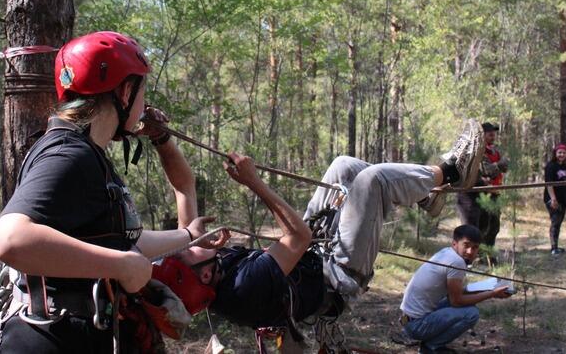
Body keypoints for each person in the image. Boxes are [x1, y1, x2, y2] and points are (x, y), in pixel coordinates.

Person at [0, 31, 224, 353]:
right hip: (56, 339)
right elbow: (11, 240)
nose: (145, 105)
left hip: (74, 334)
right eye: (143, 92)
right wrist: (120, 265)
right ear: (125, 92)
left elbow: (125, 241)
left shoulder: (90, 155)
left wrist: (188, 235)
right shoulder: (69, 154)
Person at [156, 120, 487, 336]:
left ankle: (425, 194)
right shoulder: (243, 288)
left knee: (343, 167)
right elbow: (297, 236)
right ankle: (452, 171)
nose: (188, 239)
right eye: (187, 248)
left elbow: (184, 186)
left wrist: (161, 139)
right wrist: (254, 183)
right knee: (374, 180)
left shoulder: (202, 262)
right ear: (200, 274)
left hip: (313, 254)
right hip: (338, 274)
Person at [397, 225, 512, 354]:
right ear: (455, 243)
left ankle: (431, 344)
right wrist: (491, 294)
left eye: (474, 247)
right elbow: (456, 301)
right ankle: (431, 347)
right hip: (416, 326)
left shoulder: (447, 252)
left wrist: (491, 292)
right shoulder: (456, 262)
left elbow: (456, 293)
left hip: (409, 320)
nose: (470, 251)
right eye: (466, 245)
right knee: (471, 314)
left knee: (468, 305)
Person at [477, 122, 508, 263]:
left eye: (493, 133)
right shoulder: (479, 150)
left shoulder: (495, 151)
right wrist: (499, 165)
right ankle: (481, 256)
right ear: (482, 134)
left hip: (496, 191)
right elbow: (486, 171)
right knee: (484, 226)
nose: (492, 135)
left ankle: (489, 254)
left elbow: (504, 167)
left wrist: (498, 166)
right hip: (484, 194)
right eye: (489, 133)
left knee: (494, 227)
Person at [544, 143, 566, 256]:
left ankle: (556, 246)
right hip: (552, 199)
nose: (562, 155)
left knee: (559, 222)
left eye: (564, 153)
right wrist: (553, 199)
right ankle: (553, 248)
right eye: (559, 152)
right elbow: (549, 184)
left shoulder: (565, 167)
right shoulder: (551, 166)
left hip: (564, 199)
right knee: (555, 222)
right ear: (555, 153)